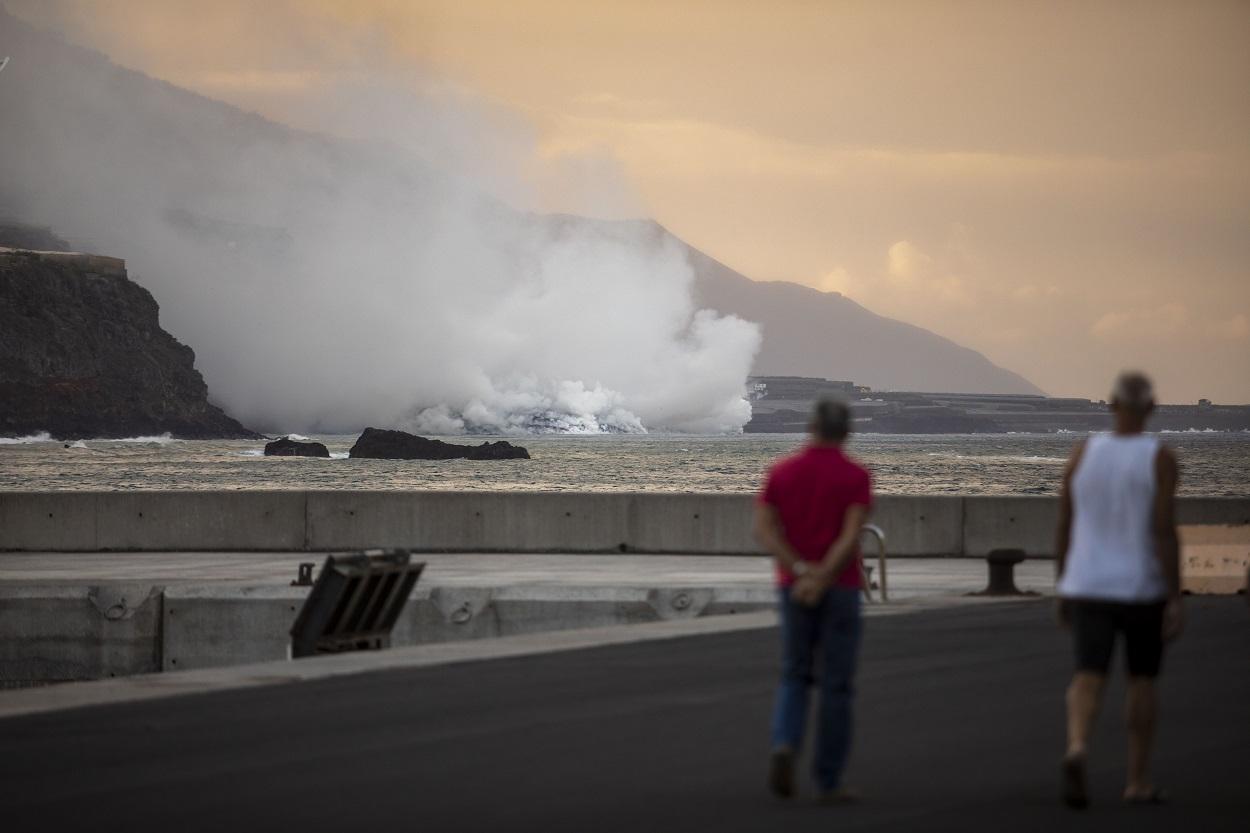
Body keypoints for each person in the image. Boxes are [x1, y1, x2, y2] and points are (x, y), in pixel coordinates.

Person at [1055, 371, 1183, 809]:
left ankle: (1076, 745)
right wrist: (1174, 594)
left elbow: (1065, 523)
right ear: (1150, 408)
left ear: (1111, 404)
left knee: (1088, 674)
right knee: (1141, 680)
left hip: (1088, 583)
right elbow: (1164, 531)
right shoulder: (1160, 458)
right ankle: (1137, 781)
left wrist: (1063, 583)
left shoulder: (1081, 453)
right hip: (1140, 586)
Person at [754, 398, 872, 804]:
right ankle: (829, 779)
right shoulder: (855, 475)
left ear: (810, 426)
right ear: (847, 432)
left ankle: (785, 743)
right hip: (840, 588)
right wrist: (823, 577)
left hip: (794, 586)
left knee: (794, 674)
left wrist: (801, 572)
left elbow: (766, 531)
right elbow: (851, 534)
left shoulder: (782, 471)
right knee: (836, 685)